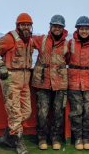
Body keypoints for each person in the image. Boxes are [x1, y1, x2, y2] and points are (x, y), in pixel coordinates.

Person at [0, 13, 35, 154]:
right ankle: (19, 143)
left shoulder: (29, 40)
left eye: (28, 25)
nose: (26, 27)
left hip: (25, 80)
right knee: (14, 114)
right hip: (11, 80)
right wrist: (0, 65)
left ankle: (7, 136)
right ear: (17, 25)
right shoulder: (9, 38)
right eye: (23, 24)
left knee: (26, 112)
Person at [31, 14, 68, 150]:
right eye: (55, 26)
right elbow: (24, 41)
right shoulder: (41, 40)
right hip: (43, 82)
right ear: (51, 27)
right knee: (43, 112)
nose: (57, 29)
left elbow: (71, 60)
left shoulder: (68, 44)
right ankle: (42, 138)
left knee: (58, 112)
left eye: (59, 26)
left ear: (63, 28)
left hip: (60, 83)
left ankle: (55, 137)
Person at [67, 16, 89, 150]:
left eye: (86, 29)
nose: (84, 31)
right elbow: (65, 59)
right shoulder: (70, 44)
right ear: (77, 29)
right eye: (81, 29)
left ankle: (86, 137)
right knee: (77, 111)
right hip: (74, 83)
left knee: (88, 112)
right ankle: (78, 138)